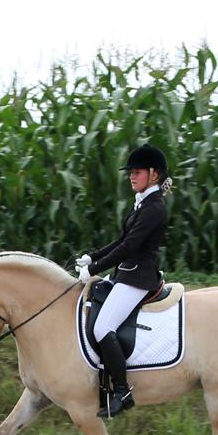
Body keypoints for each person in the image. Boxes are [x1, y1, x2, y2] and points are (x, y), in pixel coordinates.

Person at [76, 143, 172, 418]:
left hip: (138, 278)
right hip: (126, 273)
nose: (131, 176)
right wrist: (91, 257)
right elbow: (121, 241)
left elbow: (130, 247)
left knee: (103, 327)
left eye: (137, 172)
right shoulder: (143, 203)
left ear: (154, 174)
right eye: (130, 172)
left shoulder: (154, 208)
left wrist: (95, 268)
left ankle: (122, 391)